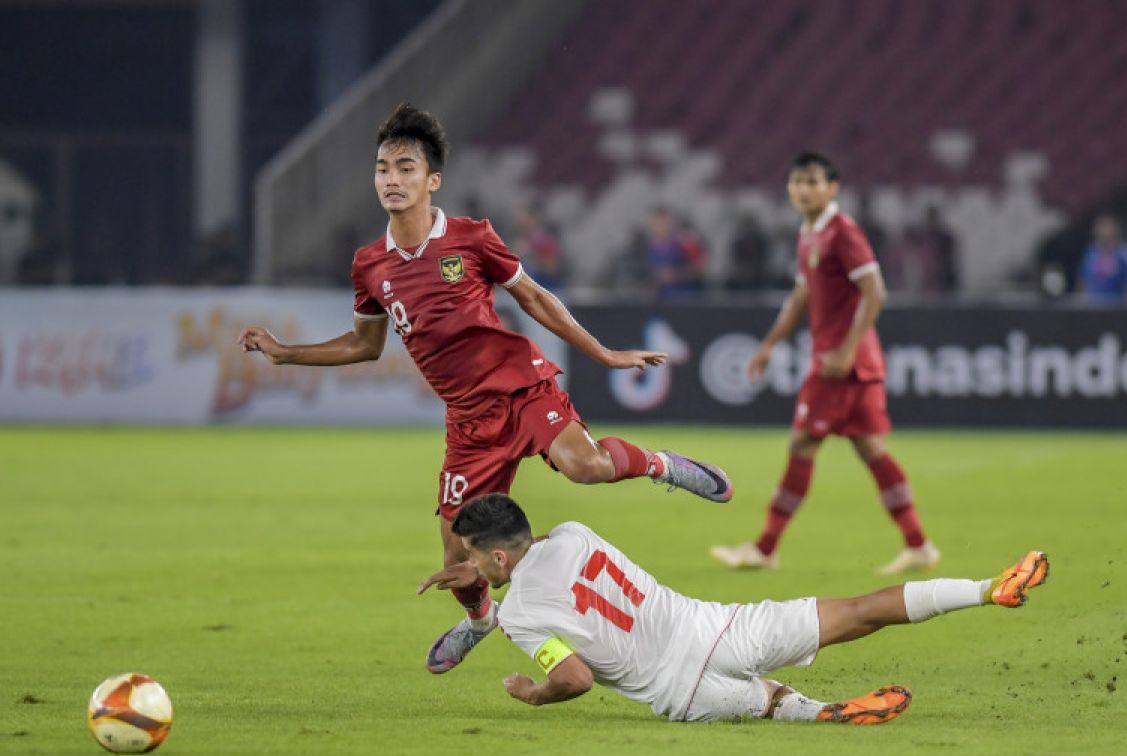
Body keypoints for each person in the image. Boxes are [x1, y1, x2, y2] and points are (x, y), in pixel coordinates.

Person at [237, 103, 733, 674]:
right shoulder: (369, 265)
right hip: (468, 421)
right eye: (382, 169)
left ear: (432, 180)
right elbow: (364, 345)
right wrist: (284, 352)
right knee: (459, 558)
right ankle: (479, 621)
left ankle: (662, 466)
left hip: (520, 387)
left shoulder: (472, 238)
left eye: (405, 168)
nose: (391, 180)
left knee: (586, 467)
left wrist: (603, 353)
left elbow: (536, 298)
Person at [419, 494, 1049, 724]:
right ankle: (987, 587)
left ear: (499, 561)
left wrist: (533, 694)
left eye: (473, 556)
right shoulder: (576, 533)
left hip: (681, 693)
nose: (470, 565)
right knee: (859, 610)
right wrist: (485, 571)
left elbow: (575, 677)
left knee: (769, 704)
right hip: (717, 629)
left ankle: (828, 712)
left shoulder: (522, 614)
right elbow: (540, 559)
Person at [710, 152, 939, 574]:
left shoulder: (843, 232)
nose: (804, 189)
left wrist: (849, 349)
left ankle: (764, 548)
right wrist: (769, 344)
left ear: (832, 187)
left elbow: (876, 292)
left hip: (840, 363)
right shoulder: (809, 232)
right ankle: (918, 544)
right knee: (871, 449)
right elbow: (802, 296)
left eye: (813, 182)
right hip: (849, 361)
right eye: (797, 182)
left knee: (802, 444)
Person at [1077, 215, 1127, 304]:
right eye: (1101, 227)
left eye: (1106, 227)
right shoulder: (1090, 253)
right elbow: (1082, 281)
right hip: (1093, 306)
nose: (1103, 232)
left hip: (1115, 307)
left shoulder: (1123, 255)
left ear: (1114, 231)